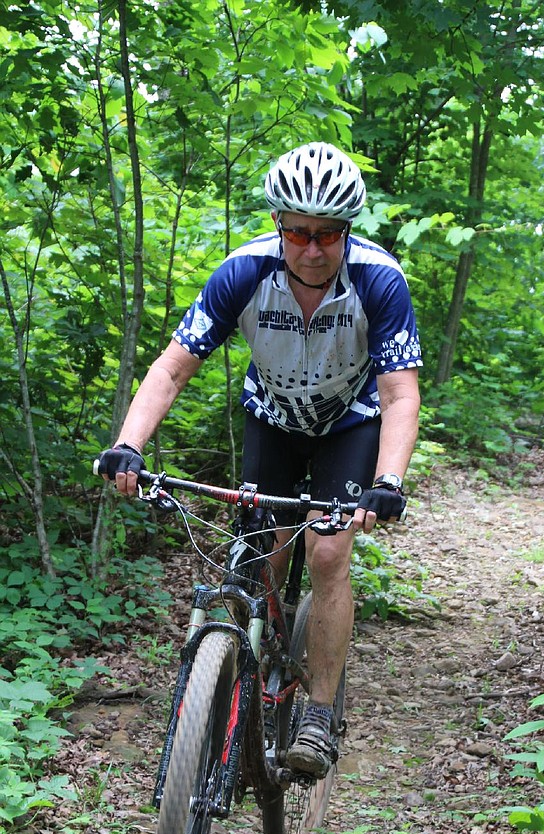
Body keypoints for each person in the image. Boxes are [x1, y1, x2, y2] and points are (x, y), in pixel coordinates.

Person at [98, 141, 422, 778]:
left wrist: (388, 480)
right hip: (271, 419)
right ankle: (259, 665)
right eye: (299, 231)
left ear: (346, 233)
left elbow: (400, 390)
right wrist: (128, 445)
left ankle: (321, 715)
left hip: (348, 424)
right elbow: (172, 366)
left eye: (328, 234)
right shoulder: (243, 272)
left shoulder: (378, 279)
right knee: (257, 553)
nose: (312, 248)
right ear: (279, 225)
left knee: (329, 552)